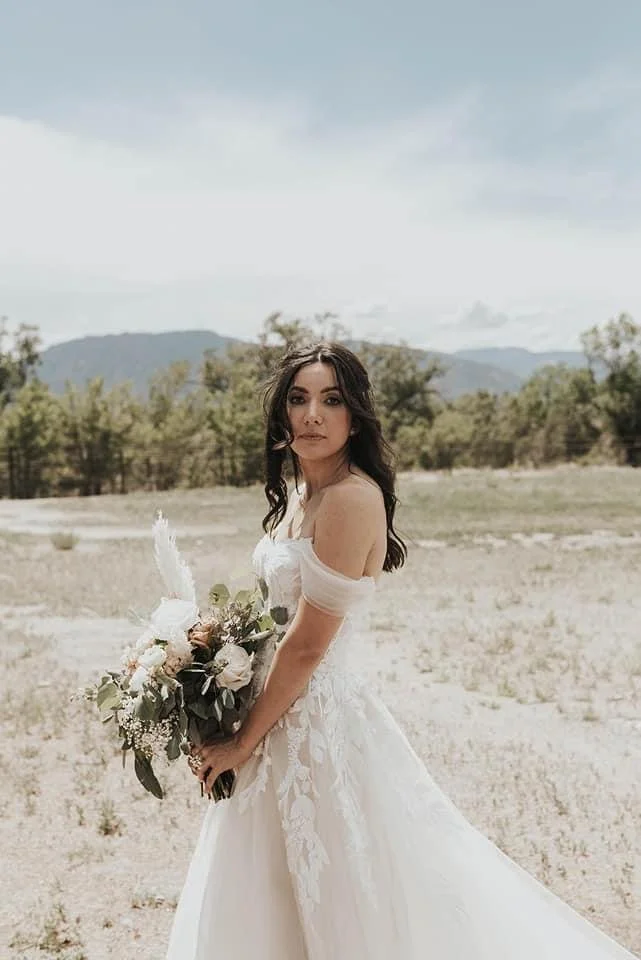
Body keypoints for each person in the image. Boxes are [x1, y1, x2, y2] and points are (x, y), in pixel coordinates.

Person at [166, 342, 637, 959]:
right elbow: (274, 626)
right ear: (281, 414)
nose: (312, 414)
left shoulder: (351, 498)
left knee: (349, 893)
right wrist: (213, 664)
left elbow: (307, 647)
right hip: (277, 712)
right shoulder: (301, 495)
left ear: (355, 417)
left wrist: (240, 741)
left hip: (317, 725)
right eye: (298, 398)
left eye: (331, 400)